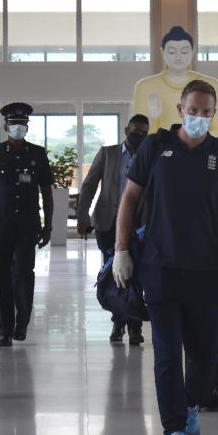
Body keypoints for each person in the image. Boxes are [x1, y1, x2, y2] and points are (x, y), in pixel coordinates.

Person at [112, 80, 218, 435]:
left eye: (207, 113)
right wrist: (122, 251)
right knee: (167, 355)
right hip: (159, 267)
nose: (200, 118)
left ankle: (189, 406)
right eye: (194, 110)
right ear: (180, 109)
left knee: (204, 356)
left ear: (214, 113)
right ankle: (175, 433)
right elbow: (130, 199)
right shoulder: (155, 148)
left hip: (206, 269)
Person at [0, 103, 54, 347]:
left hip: (28, 226)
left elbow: (47, 192)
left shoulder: (38, 154)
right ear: (5, 127)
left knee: (23, 274)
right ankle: (4, 329)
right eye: (14, 124)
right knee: (1, 277)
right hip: (0, 226)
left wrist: (48, 226)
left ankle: (22, 324)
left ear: (27, 126)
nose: (18, 128)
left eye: (22, 124)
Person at [77, 113, 150, 345]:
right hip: (108, 223)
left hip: (137, 225)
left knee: (136, 274)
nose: (140, 136)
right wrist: (82, 216)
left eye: (145, 133)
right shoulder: (107, 153)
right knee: (113, 273)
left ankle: (135, 326)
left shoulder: (148, 156)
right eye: (137, 131)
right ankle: (118, 324)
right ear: (127, 131)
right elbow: (89, 185)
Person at [132, 25, 218, 136]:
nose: (178, 57)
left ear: (193, 51)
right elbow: (137, 136)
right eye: (172, 52)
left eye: (184, 52)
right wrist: (152, 120)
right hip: (162, 151)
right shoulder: (145, 86)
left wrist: (192, 142)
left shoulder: (211, 84)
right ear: (162, 52)